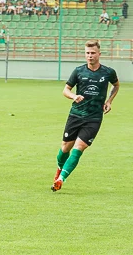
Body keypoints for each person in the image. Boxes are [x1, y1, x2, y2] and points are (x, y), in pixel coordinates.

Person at [51, 41, 119, 191]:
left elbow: (116, 85)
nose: (90, 56)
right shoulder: (78, 71)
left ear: (99, 54)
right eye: (87, 53)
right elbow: (65, 90)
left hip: (94, 117)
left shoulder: (108, 72)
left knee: (79, 147)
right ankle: (59, 170)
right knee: (64, 149)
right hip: (76, 114)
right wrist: (73, 96)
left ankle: (61, 179)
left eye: (93, 53)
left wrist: (109, 101)